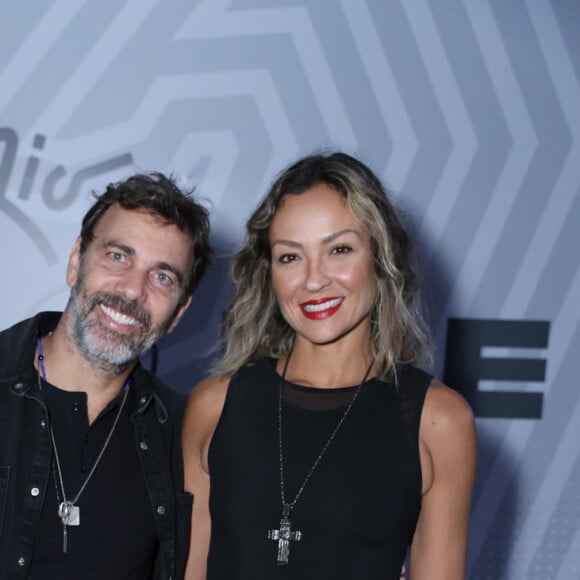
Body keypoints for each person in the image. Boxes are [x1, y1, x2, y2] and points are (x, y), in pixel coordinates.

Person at [182, 152, 477, 580]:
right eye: (290, 257)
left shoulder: (438, 421)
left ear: (380, 256)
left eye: (339, 249)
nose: (314, 280)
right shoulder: (213, 407)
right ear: (270, 273)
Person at [0, 172, 211, 579]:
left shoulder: (183, 435)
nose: (133, 290)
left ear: (178, 314)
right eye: (118, 256)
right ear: (77, 260)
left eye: (162, 276)